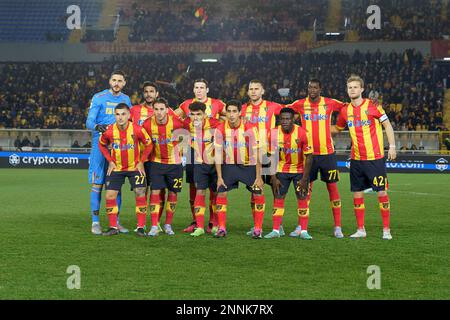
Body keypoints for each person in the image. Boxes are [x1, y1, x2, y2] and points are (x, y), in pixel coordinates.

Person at [334, 75, 396, 240]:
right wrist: (316, 127)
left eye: (355, 87)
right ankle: (361, 229)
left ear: (362, 89)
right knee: (357, 194)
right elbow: (337, 128)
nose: (352, 90)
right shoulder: (345, 110)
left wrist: (392, 146)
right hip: (356, 159)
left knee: (381, 192)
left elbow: (387, 125)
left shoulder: (372, 106)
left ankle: (386, 230)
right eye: (349, 87)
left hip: (375, 158)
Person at [287, 79, 345, 238]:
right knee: (304, 190)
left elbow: (348, 107)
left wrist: (340, 126)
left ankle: (338, 227)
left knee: (332, 189)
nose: (312, 90)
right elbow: (283, 110)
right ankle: (301, 226)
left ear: (320, 89)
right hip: (308, 155)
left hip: (328, 154)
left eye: (315, 87)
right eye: (309, 87)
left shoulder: (330, 103)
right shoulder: (299, 104)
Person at [175, 79, 226, 234]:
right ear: (193, 89)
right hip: (193, 152)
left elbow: (229, 116)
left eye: (202, 87)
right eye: (196, 87)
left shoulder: (217, 104)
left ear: (207, 89)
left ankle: (212, 222)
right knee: (194, 186)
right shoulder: (186, 104)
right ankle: (196, 221)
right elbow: (174, 117)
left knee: (212, 188)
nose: (199, 90)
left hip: (210, 151)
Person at [86, 70, 132, 235]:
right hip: (100, 145)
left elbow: (131, 120)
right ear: (109, 81)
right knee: (97, 184)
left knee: (116, 185)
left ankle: (116, 222)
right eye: (114, 80)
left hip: (119, 146)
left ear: (124, 83)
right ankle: (95, 222)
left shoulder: (126, 100)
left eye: (120, 80)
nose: (117, 83)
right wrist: (98, 127)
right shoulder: (99, 97)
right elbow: (89, 121)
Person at [98, 103, 153, 236]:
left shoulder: (137, 129)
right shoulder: (109, 130)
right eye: (117, 114)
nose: (120, 117)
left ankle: (140, 227)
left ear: (129, 115)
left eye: (123, 114)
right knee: (109, 195)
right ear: (114, 115)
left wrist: (141, 161)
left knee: (140, 192)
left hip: (134, 167)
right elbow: (101, 144)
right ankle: (113, 227)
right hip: (116, 168)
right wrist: (110, 161)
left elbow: (149, 144)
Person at [214, 100, 265, 239]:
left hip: (248, 166)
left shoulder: (250, 128)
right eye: (229, 111)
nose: (231, 115)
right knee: (221, 193)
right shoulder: (220, 129)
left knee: (258, 193)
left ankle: (258, 229)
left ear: (240, 113)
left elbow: (257, 153)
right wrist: (219, 177)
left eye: (234, 111)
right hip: (229, 167)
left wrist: (259, 176)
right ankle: (222, 228)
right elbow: (218, 154)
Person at [131, 81, 176, 232]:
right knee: (142, 190)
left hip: (159, 159)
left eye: (152, 91)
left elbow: (180, 127)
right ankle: (142, 224)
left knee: (160, 191)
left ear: (157, 94)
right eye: (146, 91)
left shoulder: (166, 111)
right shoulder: (135, 110)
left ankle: (156, 223)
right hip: (142, 159)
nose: (148, 94)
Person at [240, 79, 283, 236]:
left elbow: (289, 114)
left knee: (275, 189)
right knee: (255, 189)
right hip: (251, 155)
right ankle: (256, 224)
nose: (253, 91)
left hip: (270, 153)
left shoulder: (273, 106)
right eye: (251, 89)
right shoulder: (243, 109)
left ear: (262, 91)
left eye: (256, 89)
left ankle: (279, 225)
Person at [264, 108, 314, 239]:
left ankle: (303, 231)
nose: (285, 121)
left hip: (299, 171)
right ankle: (276, 230)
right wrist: (273, 177)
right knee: (278, 197)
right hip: (281, 170)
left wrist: (304, 179)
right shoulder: (273, 133)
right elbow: (270, 156)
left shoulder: (303, 133)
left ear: (293, 119)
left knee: (302, 197)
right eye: (282, 119)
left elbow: (309, 157)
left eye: (288, 119)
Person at [142, 97, 186, 237]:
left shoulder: (177, 123)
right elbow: (143, 142)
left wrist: (181, 151)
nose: (159, 112)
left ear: (167, 110)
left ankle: (168, 224)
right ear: (153, 110)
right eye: (156, 109)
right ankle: (154, 225)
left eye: (162, 109)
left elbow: (186, 136)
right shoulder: (147, 124)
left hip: (175, 165)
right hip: (156, 163)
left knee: (173, 193)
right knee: (155, 192)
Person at [184, 101, 221, 237]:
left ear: (205, 114)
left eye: (199, 114)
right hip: (199, 164)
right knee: (200, 192)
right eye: (192, 115)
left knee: (215, 194)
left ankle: (214, 224)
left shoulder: (216, 124)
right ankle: (199, 226)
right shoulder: (186, 125)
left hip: (214, 164)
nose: (195, 118)